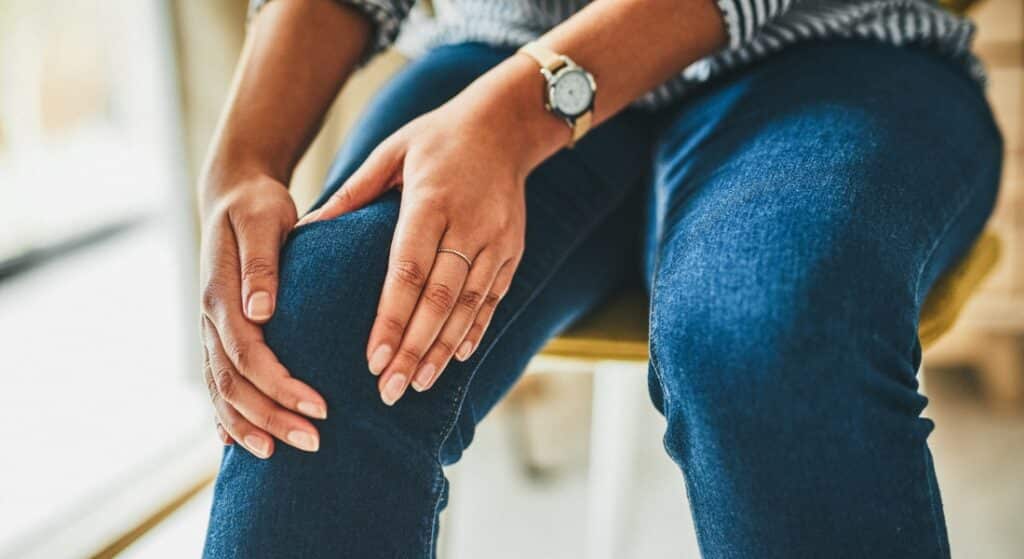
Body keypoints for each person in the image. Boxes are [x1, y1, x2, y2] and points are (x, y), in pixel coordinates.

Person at [199, 0, 1002, 557]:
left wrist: (521, 115)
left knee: (764, 334)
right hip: (495, 54)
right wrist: (241, 163)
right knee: (317, 337)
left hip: (832, 50)